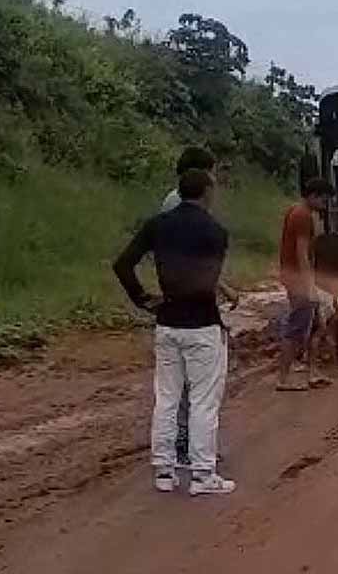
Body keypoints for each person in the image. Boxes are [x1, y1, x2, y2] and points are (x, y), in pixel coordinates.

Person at [113, 169, 235, 496]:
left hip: (167, 322)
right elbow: (207, 279)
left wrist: (143, 298)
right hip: (202, 325)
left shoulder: (157, 225)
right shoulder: (215, 231)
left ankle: (164, 471)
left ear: (180, 192)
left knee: (166, 399)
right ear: (207, 192)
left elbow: (123, 264)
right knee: (203, 402)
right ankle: (202, 474)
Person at [160, 146, 238, 467]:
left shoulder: (172, 203)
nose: (215, 179)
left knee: (184, 384)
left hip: (183, 301)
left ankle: (184, 446)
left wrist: (220, 286)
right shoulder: (183, 206)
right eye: (212, 172)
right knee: (195, 385)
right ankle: (190, 449)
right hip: (191, 309)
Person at [277, 178, 335, 391]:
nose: (325, 204)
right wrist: (310, 286)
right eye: (324, 199)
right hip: (299, 280)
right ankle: (283, 378)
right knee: (297, 327)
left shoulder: (294, 211)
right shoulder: (303, 217)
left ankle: (313, 371)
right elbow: (302, 255)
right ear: (314, 196)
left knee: (318, 321)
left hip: (293, 277)